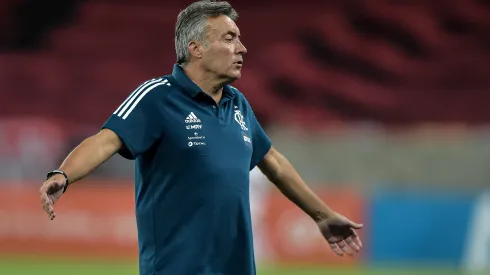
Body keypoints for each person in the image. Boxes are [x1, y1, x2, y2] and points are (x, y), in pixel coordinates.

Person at [38, 1, 363, 274]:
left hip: (235, 266)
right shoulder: (157, 97)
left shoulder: (238, 103)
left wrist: (322, 215)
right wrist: (63, 174)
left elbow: (273, 162)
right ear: (196, 48)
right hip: (177, 266)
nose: (242, 48)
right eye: (230, 38)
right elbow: (105, 140)